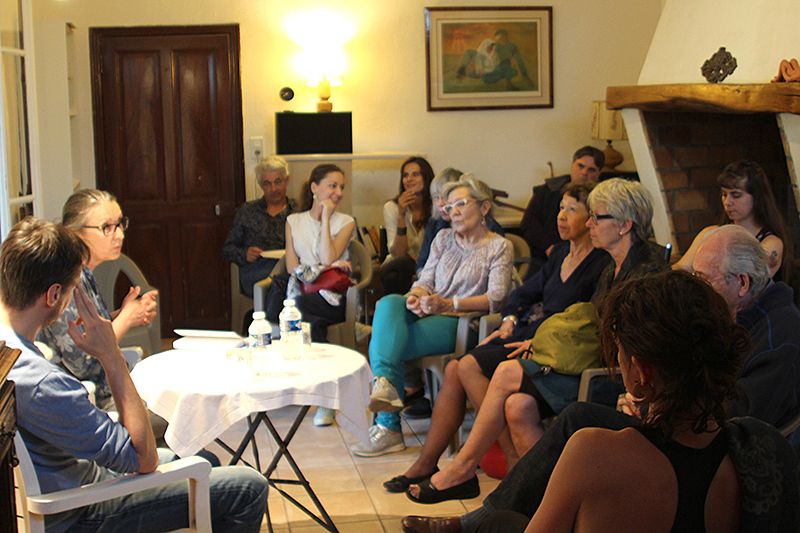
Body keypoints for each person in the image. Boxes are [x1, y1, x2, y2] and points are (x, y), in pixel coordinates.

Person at [403, 225, 800, 533]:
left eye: (703, 278)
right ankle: (477, 513)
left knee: (514, 506)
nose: (697, 287)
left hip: (696, 436)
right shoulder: (730, 315)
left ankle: (477, 512)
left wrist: (655, 404)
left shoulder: (774, 333)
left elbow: (741, 413)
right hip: (692, 428)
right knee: (542, 411)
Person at [406, 178, 666, 504]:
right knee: (517, 405)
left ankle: (463, 470)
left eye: (595, 217)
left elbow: (625, 342)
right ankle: (538, 498)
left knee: (502, 372)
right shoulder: (609, 266)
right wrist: (536, 336)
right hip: (580, 360)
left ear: (625, 225)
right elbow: (581, 322)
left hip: (605, 376)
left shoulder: (644, 271)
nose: (588, 224)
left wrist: (546, 344)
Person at [4, 217, 268, 532]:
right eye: (74, 290)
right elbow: (143, 458)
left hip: (78, 483)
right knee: (249, 487)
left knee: (204, 461)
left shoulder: (11, 351)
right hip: (82, 512)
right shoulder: (43, 381)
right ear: (52, 295)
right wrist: (111, 356)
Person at [383, 183, 610, 493]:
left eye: (572, 209)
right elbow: (521, 295)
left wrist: (531, 336)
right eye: (560, 208)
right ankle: (428, 462)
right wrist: (510, 319)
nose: (561, 216)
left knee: (464, 366)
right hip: (527, 333)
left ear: (590, 218)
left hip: (554, 347)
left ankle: (492, 460)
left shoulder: (599, 263)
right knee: (454, 368)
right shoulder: (560, 254)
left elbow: (579, 320)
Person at [351, 175, 514, 457]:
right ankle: (386, 390)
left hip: (461, 321)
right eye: (449, 207)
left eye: (461, 204)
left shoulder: (499, 246)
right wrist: (416, 295)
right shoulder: (443, 238)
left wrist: (447, 303)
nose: (454, 212)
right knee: (390, 302)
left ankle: (388, 425)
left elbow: (496, 297)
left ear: (484, 207)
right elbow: (425, 279)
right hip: (428, 309)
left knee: (386, 342)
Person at [38, 189, 157, 411]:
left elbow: (90, 328)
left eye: (120, 224)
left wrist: (126, 313)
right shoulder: (66, 280)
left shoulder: (84, 272)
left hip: (113, 386)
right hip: (91, 402)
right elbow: (82, 361)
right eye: (107, 227)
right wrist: (126, 319)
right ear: (76, 232)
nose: (119, 235)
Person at [270, 163, 355, 427]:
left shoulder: (346, 222)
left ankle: (321, 395)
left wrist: (326, 218)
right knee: (306, 317)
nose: (339, 192)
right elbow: (291, 265)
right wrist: (321, 268)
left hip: (331, 296)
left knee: (299, 312)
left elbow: (328, 257)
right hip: (301, 291)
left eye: (341, 187)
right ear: (315, 188)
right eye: (332, 186)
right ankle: (323, 393)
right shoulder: (293, 221)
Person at [674, 159, 791, 280]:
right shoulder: (710, 232)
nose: (727, 202)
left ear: (757, 197)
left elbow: (749, 283)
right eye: (724, 194)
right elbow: (681, 267)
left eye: (736, 195)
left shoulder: (771, 242)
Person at [520, 146, 604, 273]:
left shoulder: (602, 199)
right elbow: (528, 223)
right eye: (580, 166)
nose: (584, 172)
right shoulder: (548, 190)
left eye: (591, 169)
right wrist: (549, 247)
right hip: (543, 256)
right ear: (572, 165)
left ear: (599, 173)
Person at [223, 155, 296, 299]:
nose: (273, 189)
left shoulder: (298, 211)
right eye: (267, 184)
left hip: (289, 269)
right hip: (256, 271)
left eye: (278, 182)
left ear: (287, 180)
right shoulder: (247, 211)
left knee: (291, 282)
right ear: (261, 185)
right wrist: (245, 254)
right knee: (279, 285)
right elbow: (227, 249)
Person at [416, 168, 505, 272]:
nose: (440, 203)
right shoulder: (435, 225)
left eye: (445, 196)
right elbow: (422, 264)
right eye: (436, 197)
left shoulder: (490, 228)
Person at [380, 156, 435, 295]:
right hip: (399, 264)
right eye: (405, 175)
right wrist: (401, 215)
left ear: (426, 178)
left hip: (429, 264)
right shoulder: (391, 207)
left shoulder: (436, 208)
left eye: (415, 174)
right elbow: (398, 253)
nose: (409, 179)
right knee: (399, 267)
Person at [456, 29, 535, 91]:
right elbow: (483, 53)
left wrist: (525, 75)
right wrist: (476, 65)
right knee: (470, 53)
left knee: (506, 63)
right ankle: (461, 71)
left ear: (506, 37)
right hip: (488, 71)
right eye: (498, 40)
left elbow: (519, 60)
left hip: (499, 69)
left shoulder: (511, 47)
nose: (499, 42)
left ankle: (509, 84)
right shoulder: (494, 46)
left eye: (501, 39)